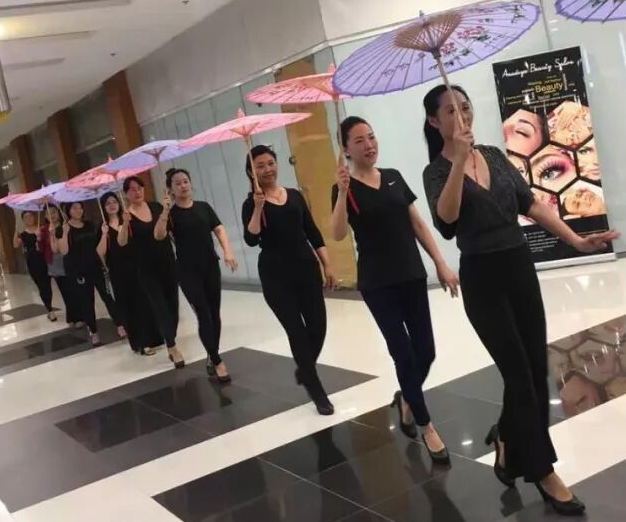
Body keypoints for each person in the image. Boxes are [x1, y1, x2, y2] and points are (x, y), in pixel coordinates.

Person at [421, 83, 616, 516]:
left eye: (465, 107)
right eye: (450, 111)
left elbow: (531, 205)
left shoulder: (494, 155)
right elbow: (447, 220)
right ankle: (544, 472)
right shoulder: (435, 172)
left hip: (519, 268)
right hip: (482, 277)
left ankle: (507, 437)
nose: (462, 116)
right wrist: (458, 161)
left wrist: (575, 240)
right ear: (434, 121)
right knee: (518, 375)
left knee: (532, 369)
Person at [330, 116, 459, 464]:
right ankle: (425, 424)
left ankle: (406, 398)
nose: (369, 145)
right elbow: (338, 233)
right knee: (402, 353)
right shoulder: (344, 188)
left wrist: (440, 262)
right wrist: (341, 193)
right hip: (377, 282)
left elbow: (417, 223)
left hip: (411, 274)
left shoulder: (393, 177)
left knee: (426, 351)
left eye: (371, 137)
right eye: (359, 140)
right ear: (346, 149)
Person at [242, 145, 337, 415]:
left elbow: (312, 231)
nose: (267, 169)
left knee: (318, 327)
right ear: (251, 172)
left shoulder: (294, 195)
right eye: (260, 166)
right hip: (275, 276)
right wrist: (258, 208)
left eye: (270, 163)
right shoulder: (251, 203)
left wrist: (327, 264)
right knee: (296, 331)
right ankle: (317, 391)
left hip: (306, 269)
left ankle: (304, 369)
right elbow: (251, 239)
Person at [157, 169, 238, 382]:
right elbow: (159, 235)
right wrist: (164, 211)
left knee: (214, 314)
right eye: (177, 183)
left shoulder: (203, 207)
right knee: (203, 314)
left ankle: (212, 354)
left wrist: (228, 251)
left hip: (210, 266)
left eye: (185, 181)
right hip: (187, 271)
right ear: (171, 189)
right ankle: (217, 360)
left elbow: (219, 229)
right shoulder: (171, 214)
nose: (183, 186)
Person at [117, 176, 184, 367]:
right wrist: (124, 223)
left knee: (173, 306)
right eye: (132, 189)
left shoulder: (156, 207)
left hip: (167, 263)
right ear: (126, 194)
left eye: (139, 188)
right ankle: (172, 347)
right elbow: (121, 242)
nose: (137, 192)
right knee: (160, 306)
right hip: (146, 269)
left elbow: (169, 231)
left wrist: (167, 209)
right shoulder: (127, 215)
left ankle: (170, 337)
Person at [55, 201, 109, 346]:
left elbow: (98, 247)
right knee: (87, 302)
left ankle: (121, 325)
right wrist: (65, 233)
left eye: (80, 208)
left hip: (95, 266)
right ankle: (94, 332)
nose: (78, 210)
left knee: (107, 296)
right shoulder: (62, 228)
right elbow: (64, 251)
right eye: (74, 208)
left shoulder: (90, 225)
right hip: (78, 270)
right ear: (68, 210)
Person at [96, 192, 141, 349]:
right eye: (108, 203)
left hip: (135, 266)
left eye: (114, 201)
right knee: (126, 305)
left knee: (141, 301)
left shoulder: (127, 219)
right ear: (103, 207)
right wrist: (104, 234)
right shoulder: (103, 227)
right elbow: (100, 252)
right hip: (117, 270)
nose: (112, 205)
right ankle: (136, 341)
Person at [14, 210, 57, 321]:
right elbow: (15, 244)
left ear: (34, 217)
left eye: (30, 216)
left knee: (48, 285)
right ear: (23, 220)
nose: (29, 219)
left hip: (46, 259)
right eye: (26, 217)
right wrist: (16, 231)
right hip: (33, 262)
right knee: (42, 286)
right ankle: (49, 309)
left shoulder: (42, 229)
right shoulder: (23, 234)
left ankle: (51, 308)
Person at [41, 203, 70, 316]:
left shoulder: (66, 225)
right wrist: (39, 238)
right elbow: (41, 249)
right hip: (55, 264)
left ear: (58, 212)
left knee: (74, 290)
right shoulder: (44, 230)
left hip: (69, 260)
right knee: (65, 291)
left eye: (53, 212)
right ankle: (72, 317)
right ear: (45, 216)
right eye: (48, 213)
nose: (51, 215)